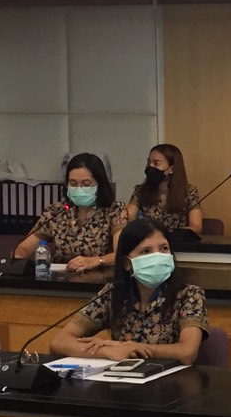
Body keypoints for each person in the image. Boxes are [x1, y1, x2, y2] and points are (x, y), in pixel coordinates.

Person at [49, 219, 207, 364]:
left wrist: (132, 348)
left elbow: (187, 352)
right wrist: (107, 351)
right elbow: (60, 342)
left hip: (170, 381)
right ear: (127, 263)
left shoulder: (189, 295)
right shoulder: (113, 293)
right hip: (122, 380)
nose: (157, 256)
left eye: (164, 248)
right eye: (146, 251)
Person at [14, 152, 124, 272]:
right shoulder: (56, 212)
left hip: (99, 278)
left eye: (86, 184)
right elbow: (24, 248)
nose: (79, 189)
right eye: (73, 184)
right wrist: (19, 257)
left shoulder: (115, 211)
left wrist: (96, 261)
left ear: (100, 185)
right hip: (60, 278)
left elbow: (121, 254)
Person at [125, 144, 203, 237]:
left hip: (176, 242)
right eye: (149, 162)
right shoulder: (140, 190)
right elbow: (129, 217)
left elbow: (196, 227)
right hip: (148, 240)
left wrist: (171, 233)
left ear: (171, 168)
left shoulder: (189, 192)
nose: (150, 167)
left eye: (156, 163)